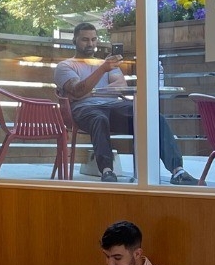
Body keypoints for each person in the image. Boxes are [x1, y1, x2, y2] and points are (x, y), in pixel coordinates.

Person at [53, 21, 197, 185]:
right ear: (75, 41)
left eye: (93, 39)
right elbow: (78, 90)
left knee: (151, 116)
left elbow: (121, 85)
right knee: (99, 119)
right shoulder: (66, 66)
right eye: (85, 39)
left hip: (113, 106)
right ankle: (107, 170)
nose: (90, 44)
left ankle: (178, 171)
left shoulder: (107, 64)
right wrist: (102, 71)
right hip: (84, 109)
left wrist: (92, 90)